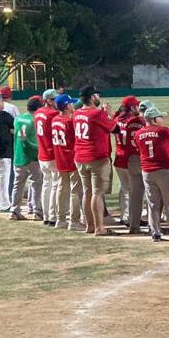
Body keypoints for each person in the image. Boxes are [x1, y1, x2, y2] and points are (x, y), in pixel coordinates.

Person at [136, 107, 169, 242]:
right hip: (163, 169)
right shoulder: (163, 130)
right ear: (154, 119)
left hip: (147, 170)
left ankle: (155, 232)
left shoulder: (138, 133)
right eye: (160, 117)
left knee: (152, 203)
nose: (162, 119)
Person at [73, 86, 115, 236]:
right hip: (96, 157)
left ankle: (90, 225)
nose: (98, 97)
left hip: (80, 156)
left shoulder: (77, 113)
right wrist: (109, 114)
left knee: (87, 192)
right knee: (97, 193)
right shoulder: (97, 113)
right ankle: (99, 228)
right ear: (91, 98)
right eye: (96, 95)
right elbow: (113, 127)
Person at [50, 94, 84, 230]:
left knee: (61, 188)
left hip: (60, 157)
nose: (73, 105)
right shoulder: (69, 121)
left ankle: (60, 219)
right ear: (66, 106)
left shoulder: (55, 119)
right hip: (71, 157)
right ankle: (74, 221)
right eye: (71, 103)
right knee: (75, 190)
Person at [112, 96, 145, 232]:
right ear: (132, 107)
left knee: (124, 188)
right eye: (136, 105)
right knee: (134, 190)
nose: (138, 108)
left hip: (119, 157)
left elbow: (114, 118)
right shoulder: (136, 120)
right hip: (131, 158)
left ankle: (124, 216)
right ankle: (132, 218)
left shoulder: (116, 119)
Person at [10, 97, 43, 221]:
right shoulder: (34, 120)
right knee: (36, 184)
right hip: (32, 156)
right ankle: (37, 211)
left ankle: (14, 210)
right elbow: (31, 141)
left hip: (19, 155)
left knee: (18, 185)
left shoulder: (18, 118)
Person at [33, 89, 59, 225]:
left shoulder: (38, 112)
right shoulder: (53, 113)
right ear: (48, 100)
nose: (56, 102)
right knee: (55, 185)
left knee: (47, 184)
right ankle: (53, 216)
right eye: (54, 99)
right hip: (52, 153)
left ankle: (46, 216)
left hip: (42, 152)